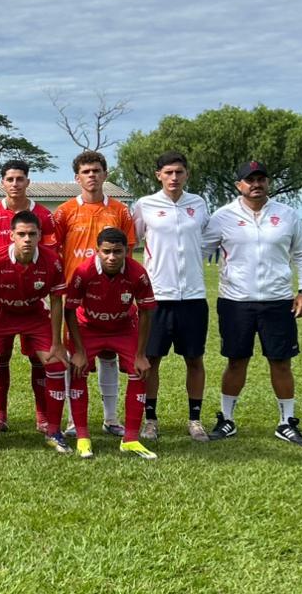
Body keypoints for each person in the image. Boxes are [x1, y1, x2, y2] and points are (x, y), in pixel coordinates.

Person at [201, 161, 302, 447]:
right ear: (239, 185)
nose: (256, 184)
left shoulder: (287, 215)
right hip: (235, 301)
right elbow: (199, 251)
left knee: (281, 362)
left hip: (278, 301)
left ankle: (286, 422)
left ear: (268, 182)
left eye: (261, 179)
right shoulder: (222, 216)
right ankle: (226, 420)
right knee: (236, 361)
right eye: (249, 180)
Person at [53, 150, 136, 437]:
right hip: (76, 297)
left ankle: (111, 418)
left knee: (109, 356)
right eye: (86, 172)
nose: (92, 176)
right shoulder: (64, 212)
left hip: (113, 294)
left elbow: (130, 252)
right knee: (75, 357)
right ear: (77, 178)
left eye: (96, 171)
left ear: (105, 175)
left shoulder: (120, 211)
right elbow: (54, 252)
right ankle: (75, 421)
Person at [0, 211, 69, 455]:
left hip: (34, 315)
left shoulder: (52, 260)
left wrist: (57, 343)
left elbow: (57, 300)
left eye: (32, 234)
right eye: (22, 234)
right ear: (12, 236)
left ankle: (54, 431)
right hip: (1, 313)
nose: (27, 239)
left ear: (39, 236)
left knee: (56, 363)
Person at [130, 151, 211, 442]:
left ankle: (195, 419)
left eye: (179, 172)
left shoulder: (198, 204)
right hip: (156, 297)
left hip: (192, 296)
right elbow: (132, 243)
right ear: (158, 175)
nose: (174, 178)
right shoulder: (145, 205)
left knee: (194, 359)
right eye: (168, 173)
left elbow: (205, 241)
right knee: (151, 360)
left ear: (186, 174)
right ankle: (150, 420)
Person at [0, 158, 57, 433]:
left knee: (41, 360)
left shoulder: (44, 215)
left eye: (20, 179)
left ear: (27, 182)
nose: (15, 184)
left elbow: (49, 258)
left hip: (35, 297)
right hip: (1, 299)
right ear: (3, 183)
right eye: (10, 179)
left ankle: (43, 416)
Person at [62, 227, 158, 460]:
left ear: (127, 251)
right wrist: (79, 351)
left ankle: (131, 439)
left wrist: (141, 353)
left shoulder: (138, 273)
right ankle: (83, 437)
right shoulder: (83, 272)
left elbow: (146, 312)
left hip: (123, 328)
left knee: (140, 370)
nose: (112, 257)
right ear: (97, 251)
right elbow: (70, 310)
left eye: (117, 251)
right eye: (106, 252)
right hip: (89, 328)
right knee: (77, 369)